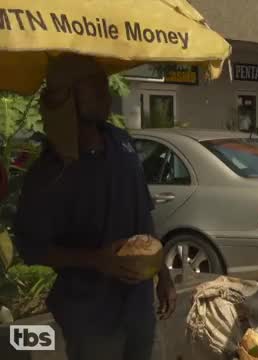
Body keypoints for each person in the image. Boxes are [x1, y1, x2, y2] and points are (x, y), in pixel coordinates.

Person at [13, 53, 176, 360]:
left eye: (105, 84)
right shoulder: (50, 172)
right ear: (67, 97)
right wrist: (98, 260)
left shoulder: (121, 143)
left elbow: (144, 217)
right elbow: (32, 247)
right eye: (95, 86)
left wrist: (163, 276)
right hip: (90, 318)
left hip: (138, 308)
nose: (107, 94)